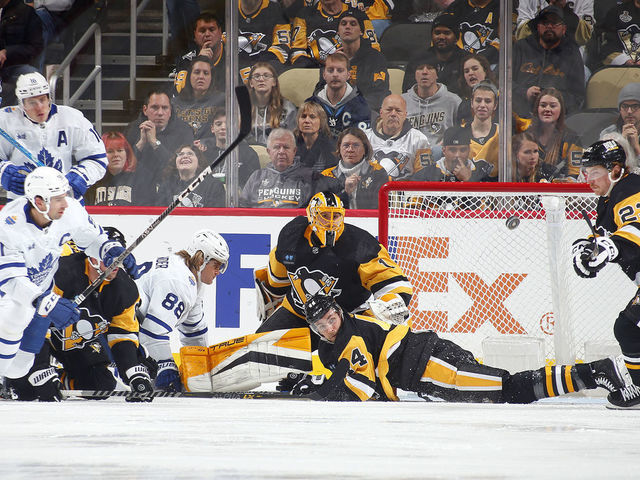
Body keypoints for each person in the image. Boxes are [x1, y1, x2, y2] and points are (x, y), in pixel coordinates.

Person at [289, 292, 630, 403]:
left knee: (509, 389)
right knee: (504, 387)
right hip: (429, 366)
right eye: (321, 325)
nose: (329, 327)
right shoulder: (334, 345)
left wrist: (319, 387)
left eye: (331, 318)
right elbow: (357, 378)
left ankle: (595, 372)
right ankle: (594, 373)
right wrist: (319, 379)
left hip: (433, 365)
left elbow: (361, 389)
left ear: (339, 312)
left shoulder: (351, 334)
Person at [0, 167, 138, 394]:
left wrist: (110, 249)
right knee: (10, 332)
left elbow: (94, 238)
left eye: (65, 195)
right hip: (10, 299)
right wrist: (48, 302)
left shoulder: (70, 211)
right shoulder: (8, 225)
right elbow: (12, 282)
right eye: (57, 199)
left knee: (18, 369)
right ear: (39, 201)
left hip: (40, 298)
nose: (65, 203)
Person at [4, 226, 157, 402]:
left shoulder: (125, 290)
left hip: (72, 340)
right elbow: (33, 322)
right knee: (27, 390)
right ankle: (8, 378)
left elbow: (122, 335)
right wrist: (40, 370)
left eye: (119, 258)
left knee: (101, 384)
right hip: (36, 335)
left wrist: (134, 374)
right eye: (108, 258)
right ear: (92, 256)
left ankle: (59, 380)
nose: (115, 263)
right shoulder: (61, 273)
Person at [254, 191, 413, 351]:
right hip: (297, 313)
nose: (330, 222)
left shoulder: (359, 244)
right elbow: (278, 277)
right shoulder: (292, 235)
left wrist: (385, 306)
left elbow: (395, 285)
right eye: (324, 215)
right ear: (311, 215)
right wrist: (274, 293)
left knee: (339, 367)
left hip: (341, 321)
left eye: (335, 216)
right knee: (258, 350)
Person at [571, 139, 640, 408]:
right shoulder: (610, 198)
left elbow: (635, 229)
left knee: (628, 328)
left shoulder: (632, 189)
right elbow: (605, 240)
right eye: (586, 172)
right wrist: (587, 250)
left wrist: (609, 247)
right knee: (629, 329)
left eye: (595, 171)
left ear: (615, 170)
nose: (589, 178)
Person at [137, 229, 229, 393]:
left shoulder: (191, 277)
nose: (218, 272)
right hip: (113, 330)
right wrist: (166, 365)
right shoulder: (179, 281)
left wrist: (202, 368)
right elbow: (152, 333)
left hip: (127, 329)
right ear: (202, 259)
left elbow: (194, 331)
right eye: (216, 265)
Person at [0, 72, 107, 201]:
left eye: (42, 99)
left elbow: (97, 158)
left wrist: (82, 177)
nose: (39, 107)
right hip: (22, 204)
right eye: (32, 102)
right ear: (22, 104)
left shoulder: (72, 118)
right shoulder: (5, 121)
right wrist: (4, 173)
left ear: (49, 98)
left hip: (64, 202)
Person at [512, 5, 586, 117]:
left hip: (557, 119)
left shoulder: (572, 52)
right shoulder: (521, 47)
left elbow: (578, 97)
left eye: (555, 23)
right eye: (545, 23)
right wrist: (525, 93)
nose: (549, 26)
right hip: (519, 115)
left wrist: (554, 97)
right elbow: (501, 80)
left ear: (564, 29)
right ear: (538, 27)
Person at [240, 128, 342, 208]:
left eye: (286, 147)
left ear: (294, 151)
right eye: (276, 147)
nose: (281, 151)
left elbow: (337, 189)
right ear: (268, 152)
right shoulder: (256, 177)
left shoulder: (309, 176)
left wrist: (347, 188)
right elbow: (241, 208)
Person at [124, 89, 194, 204]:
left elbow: (180, 167)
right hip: (138, 190)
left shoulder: (184, 131)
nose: (160, 113)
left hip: (173, 190)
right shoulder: (133, 129)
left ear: (170, 111)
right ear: (145, 110)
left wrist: (155, 142)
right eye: (155, 107)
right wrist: (141, 143)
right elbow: (124, 168)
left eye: (165, 108)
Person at [289, 0, 380, 67]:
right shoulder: (304, 14)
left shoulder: (358, 16)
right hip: (313, 71)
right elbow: (297, 52)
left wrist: (349, 60)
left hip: (350, 68)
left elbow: (374, 50)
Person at [364, 94, 432, 180]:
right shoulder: (365, 137)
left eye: (398, 111)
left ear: (405, 115)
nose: (393, 114)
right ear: (381, 113)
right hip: (370, 191)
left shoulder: (419, 140)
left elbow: (425, 177)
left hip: (405, 191)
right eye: (389, 110)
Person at [333, 9, 390, 111]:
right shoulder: (333, 60)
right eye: (343, 23)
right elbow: (320, 91)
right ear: (338, 31)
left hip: (366, 114)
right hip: (336, 114)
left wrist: (349, 107)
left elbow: (379, 95)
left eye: (353, 24)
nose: (347, 27)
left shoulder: (375, 58)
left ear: (361, 31)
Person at [306, 52, 371, 139]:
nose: (335, 74)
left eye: (340, 70)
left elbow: (361, 142)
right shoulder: (312, 104)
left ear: (348, 75)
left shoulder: (361, 106)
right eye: (330, 70)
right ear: (324, 75)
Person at [402, 53, 462, 148]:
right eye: (420, 68)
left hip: (442, 155)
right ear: (415, 74)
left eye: (430, 68)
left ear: (437, 74)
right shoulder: (402, 101)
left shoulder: (454, 101)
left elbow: (461, 133)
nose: (424, 72)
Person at [522, 87, 583, 180]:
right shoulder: (526, 137)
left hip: (559, 192)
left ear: (561, 110)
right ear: (537, 109)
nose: (547, 109)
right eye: (543, 105)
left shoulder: (571, 138)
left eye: (553, 106)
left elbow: (575, 175)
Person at [321, 127, 390, 209]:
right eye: (346, 145)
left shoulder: (377, 172)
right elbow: (324, 209)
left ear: (365, 149)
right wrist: (345, 192)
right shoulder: (327, 175)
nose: (350, 150)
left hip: (368, 220)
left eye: (356, 145)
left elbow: (379, 208)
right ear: (339, 148)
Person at [193, 107, 260, 190]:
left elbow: (254, 185)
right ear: (212, 129)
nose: (223, 127)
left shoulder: (248, 153)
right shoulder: (203, 153)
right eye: (218, 124)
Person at [401, 12, 466, 94]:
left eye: (447, 33)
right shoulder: (418, 60)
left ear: (456, 37)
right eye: (437, 33)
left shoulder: (466, 60)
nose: (441, 37)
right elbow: (408, 90)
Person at [410, 125, 492, 182]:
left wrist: (468, 180)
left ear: (469, 150)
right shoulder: (425, 176)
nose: (457, 155)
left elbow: (486, 206)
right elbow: (412, 206)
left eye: (463, 150)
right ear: (444, 150)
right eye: (452, 150)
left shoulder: (481, 174)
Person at [0, 0, 43, 107]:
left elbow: (35, 47)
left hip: (12, 66)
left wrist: (7, 52)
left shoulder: (26, 13)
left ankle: (27, 118)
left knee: (31, 75)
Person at [154, 144, 226, 208]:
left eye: (190, 154)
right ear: (175, 163)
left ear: (199, 163)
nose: (185, 156)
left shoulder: (213, 185)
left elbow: (215, 217)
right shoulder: (166, 186)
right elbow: (158, 213)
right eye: (181, 154)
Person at [171, 12, 225, 95]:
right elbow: (180, 93)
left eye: (212, 29)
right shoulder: (186, 61)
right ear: (194, 36)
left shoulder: (235, 56)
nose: (207, 34)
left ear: (220, 32)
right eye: (202, 31)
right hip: (197, 107)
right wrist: (199, 61)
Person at [171, 56, 225, 139]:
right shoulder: (174, 103)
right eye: (197, 72)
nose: (201, 77)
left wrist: (206, 143)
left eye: (206, 73)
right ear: (189, 76)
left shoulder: (223, 100)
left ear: (211, 78)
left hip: (211, 149)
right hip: (181, 149)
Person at [246, 62, 298, 146]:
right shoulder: (242, 109)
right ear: (251, 83)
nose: (261, 79)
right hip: (249, 156)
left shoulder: (288, 108)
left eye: (266, 76)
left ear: (274, 82)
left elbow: (292, 140)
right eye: (257, 76)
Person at [237, 0, 291, 80]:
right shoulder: (228, 9)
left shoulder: (276, 10)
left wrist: (257, 68)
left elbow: (282, 48)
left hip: (265, 70)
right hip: (233, 73)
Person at [85, 132, 139, 206]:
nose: (116, 155)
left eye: (119, 150)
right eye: (110, 151)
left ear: (127, 153)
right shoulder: (93, 182)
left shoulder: (138, 180)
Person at [444, 0, 500, 66]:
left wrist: (475, 61)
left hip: (489, 65)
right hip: (456, 65)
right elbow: (441, 35)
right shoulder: (455, 7)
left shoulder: (502, 6)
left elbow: (505, 42)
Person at [600, 82, 640, 165]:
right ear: (620, 109)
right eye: (625, 106)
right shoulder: (608, 133)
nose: (629, 111)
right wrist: (621, 144)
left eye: (635, 106)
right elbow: (602, 166)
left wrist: (636, 148)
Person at [294, 101, 338, 173]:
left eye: (312, 117)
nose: (307, 121)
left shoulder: (332, 144)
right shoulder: (290, 142)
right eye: (303, 116)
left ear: (321, 121)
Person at [468, 81, 499, 178]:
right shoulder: (458, 133)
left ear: (495, 105)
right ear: (471, 103)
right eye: (478, 100)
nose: (482, 105)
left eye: (488, 101)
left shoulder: (503, 134)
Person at [455, 54, 497, 126]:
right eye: (466, 71)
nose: (470, 73)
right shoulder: (463, 105)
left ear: (485, 71)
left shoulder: (501, 96)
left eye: (475, 69)